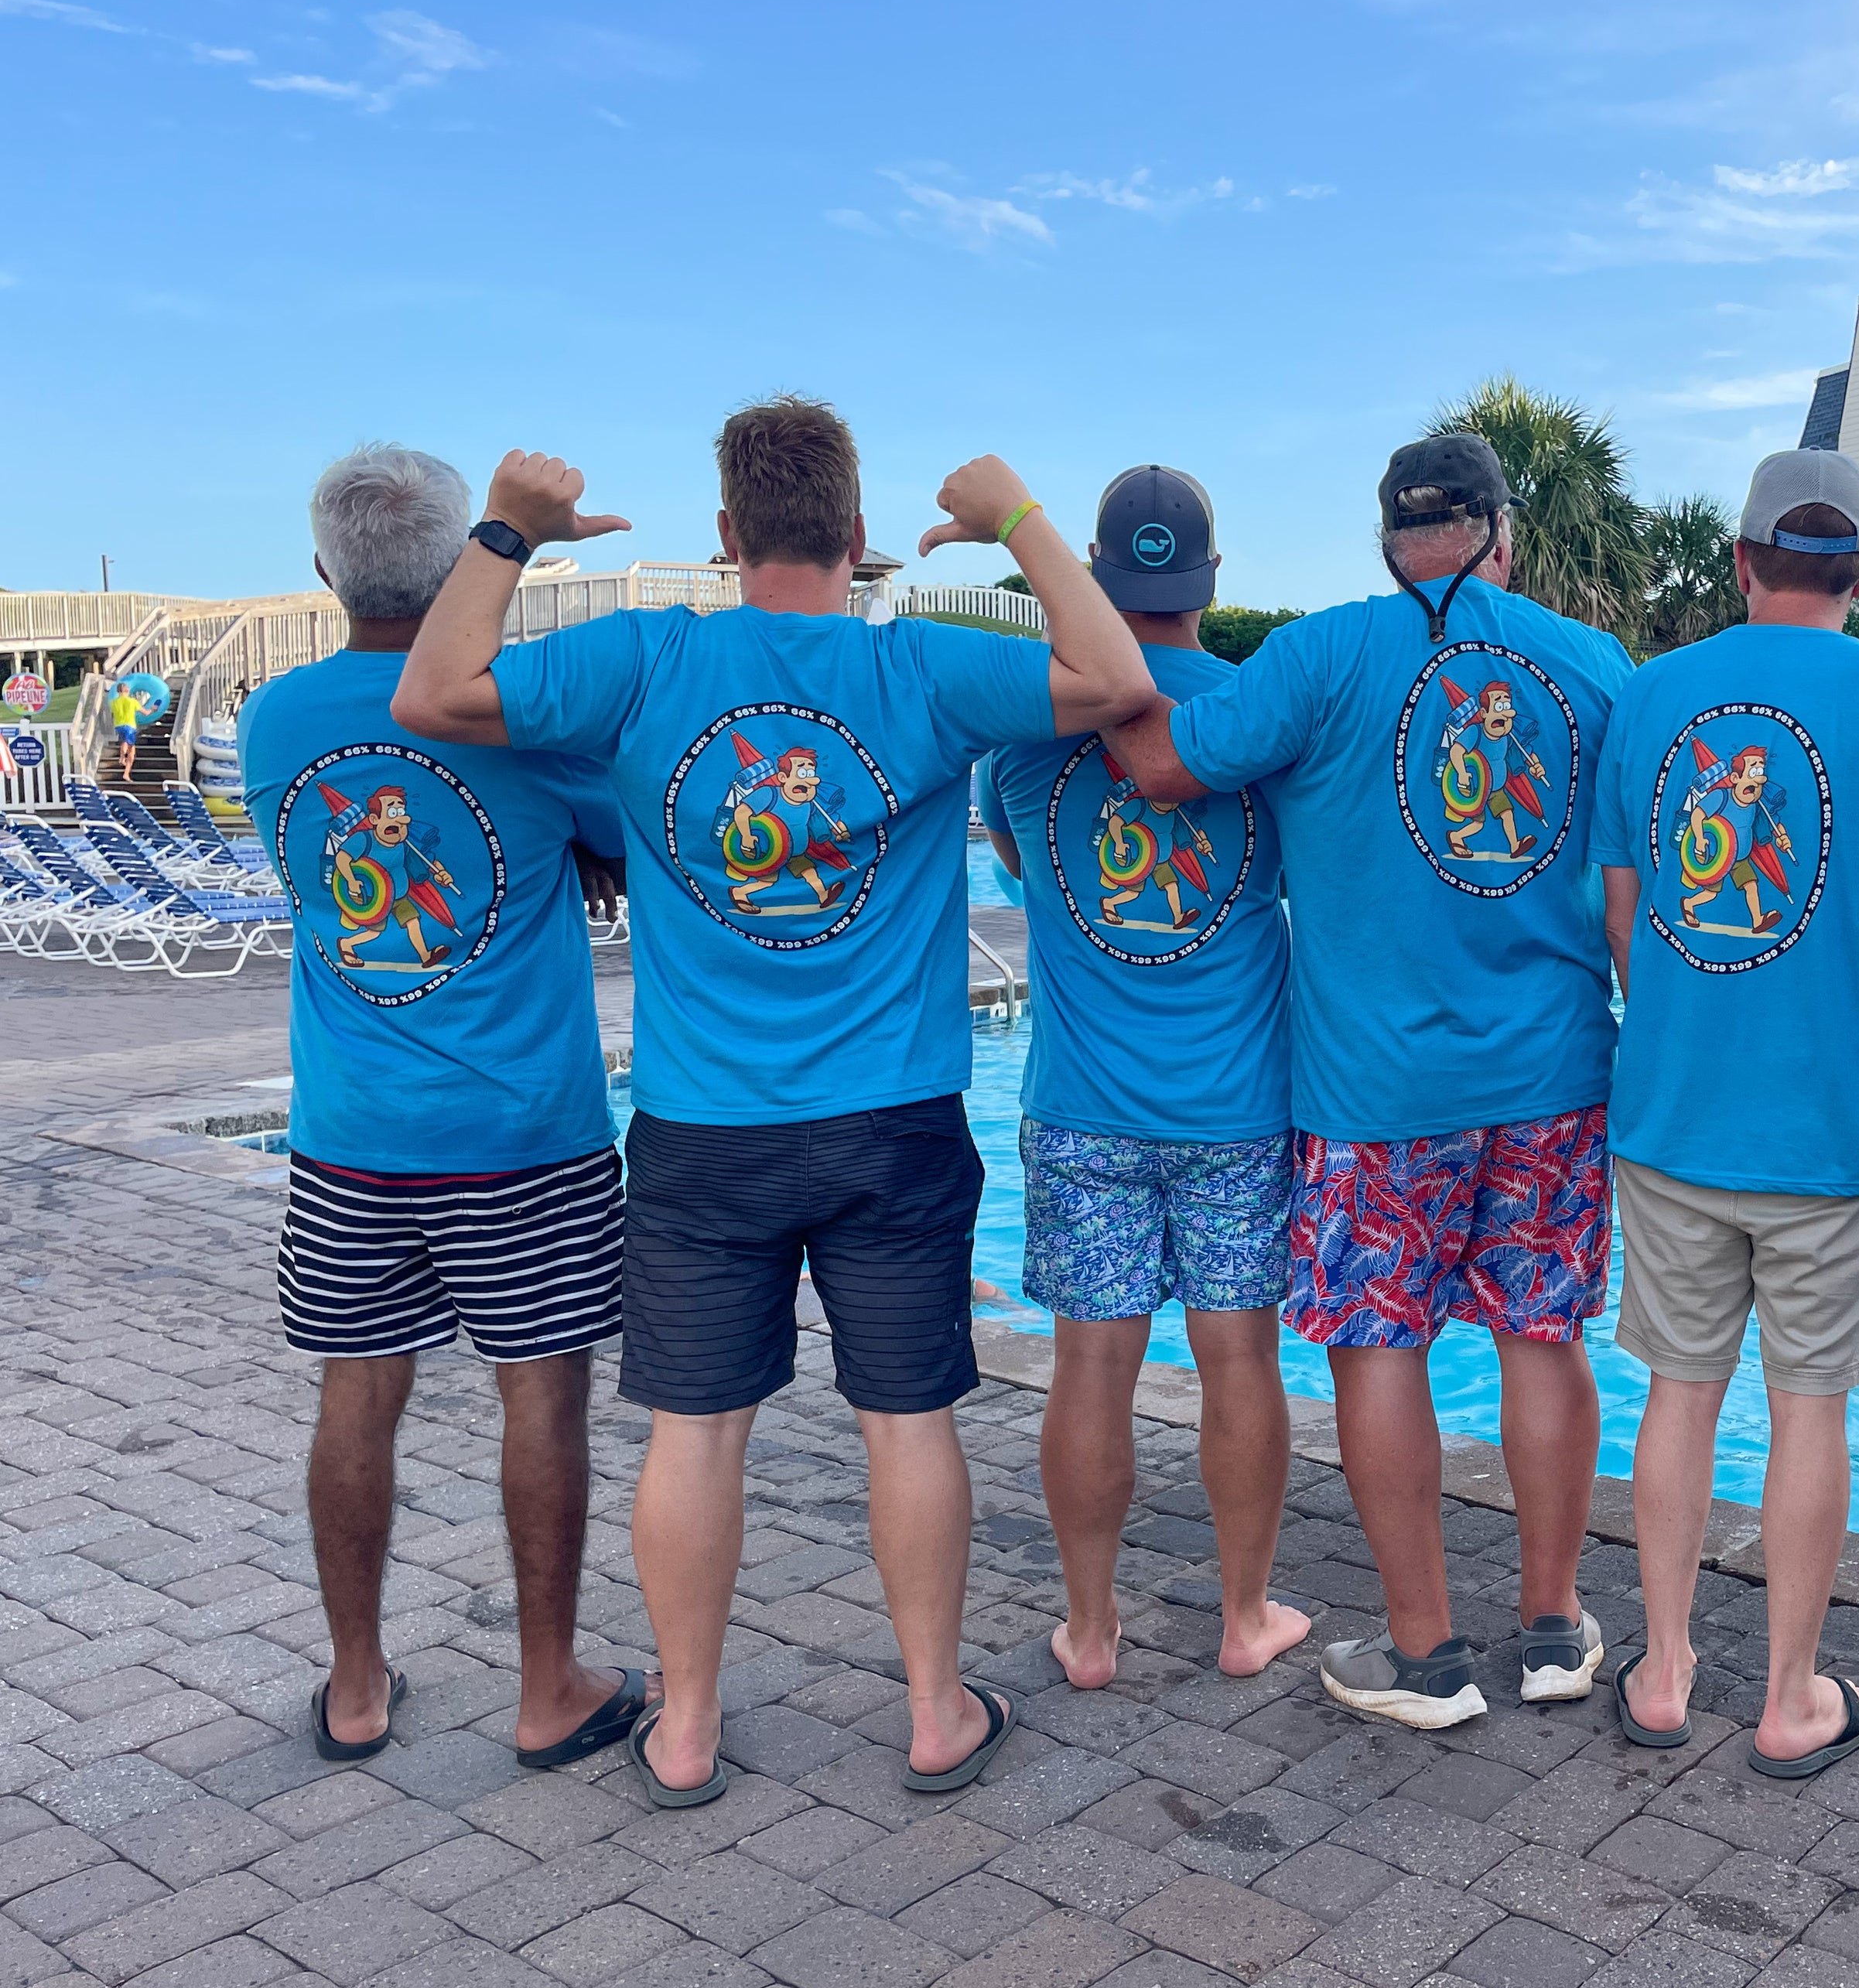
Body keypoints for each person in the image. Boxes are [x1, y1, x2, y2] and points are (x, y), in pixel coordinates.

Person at [394, 398, 1155, 1805]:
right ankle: (935, 1713)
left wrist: (507, 527)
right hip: (895, 1122)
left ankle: (684, 1728)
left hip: (703, 1127)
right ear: (861, 541)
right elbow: (1115, 679)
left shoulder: (645, 658)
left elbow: (431, 695)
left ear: (728, 536)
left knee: (697, 1434)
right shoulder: (920, 668)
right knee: (907, 1424)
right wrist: (1017, 520)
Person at [1106, 434, 1632, 1730]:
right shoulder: (1588, 666)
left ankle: (1427, 1656)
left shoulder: (1316, 657)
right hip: (1555, 1075)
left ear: (1388, 541)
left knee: (1378, 1348)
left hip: (1371, 1096)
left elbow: (1163, 766)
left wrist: (1089, 654)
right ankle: (1556, 1632)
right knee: (1542, 1337)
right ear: (1502, 536)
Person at [239, 444, 643, 1771]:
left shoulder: (277, 721)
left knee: (356, 1401)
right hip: (525, 1135)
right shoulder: (518, 713)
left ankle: (355, 1685)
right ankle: (547, 1687)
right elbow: (616, 843)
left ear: (323, 573)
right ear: (472, 562)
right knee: (545, 1400)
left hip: (351, 1135)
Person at [1597, 449, 1859, 1772]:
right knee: (1812, 1411)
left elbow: (1629, 919)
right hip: (1836, 1131)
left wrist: (1687, 1033)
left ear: (1743, 562)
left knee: (1678, 1395)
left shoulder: (1651, 698)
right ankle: (1792, 1697)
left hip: (1672, 1120)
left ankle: (1661, 1670)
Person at [979, 466, 1307, 1689]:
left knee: (1090, 1368)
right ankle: (1243, 1617)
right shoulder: (1257, 716)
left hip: (1081, 1107)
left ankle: (1093, 1630)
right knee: (1241, 1363)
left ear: (1101, 577)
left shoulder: (1029, 729)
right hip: (1237, 1110)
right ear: (1211, 581)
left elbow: (1018, 862)